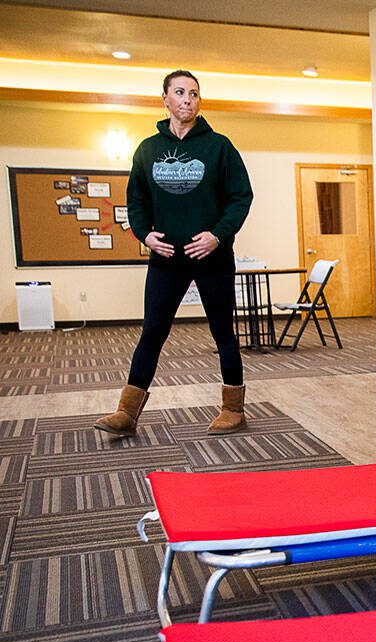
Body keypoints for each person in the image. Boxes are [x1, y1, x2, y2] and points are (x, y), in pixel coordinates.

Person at [95, 70, 253, 438]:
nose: (188, 99)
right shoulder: (148, 149)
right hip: (165, 258)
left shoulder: (219, 147)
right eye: (180, 92)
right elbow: (135, 202)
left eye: (194, 94)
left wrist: (217, 235)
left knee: (222, 332)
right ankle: (126, 412)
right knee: (152, 331)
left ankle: (233, 409)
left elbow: (240, 198)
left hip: (211, 257)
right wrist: (145, 235)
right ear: (165, 99)